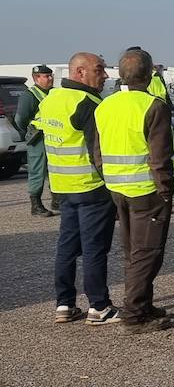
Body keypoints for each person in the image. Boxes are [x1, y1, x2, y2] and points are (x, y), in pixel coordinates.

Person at [93, 49, 174, 332]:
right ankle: (134, 314)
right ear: (150, 73)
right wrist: (165, 190)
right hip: (147, 191)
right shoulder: (154, 105)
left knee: (132, 250)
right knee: (148, 252)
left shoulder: (105, 105)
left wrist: (108, 178)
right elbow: (160, 155)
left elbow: (97, 152)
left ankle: (143, 304)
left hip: (117, 188)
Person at [38, 52, 120, 325]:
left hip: (63, 186)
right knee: (94, 248)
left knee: (67, 247)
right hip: (91, 188)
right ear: (80, 72)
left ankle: (64, 304)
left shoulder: (51, 99)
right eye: (99, 69)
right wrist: (113, 188)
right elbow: (98, 151)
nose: (105, 75)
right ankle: (99, 306)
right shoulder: (88, 103)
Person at [15, 64, 57, 217]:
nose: (50, 78)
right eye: (46, 76)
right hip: (37, 137)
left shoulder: (53, 93)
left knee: (54, 169)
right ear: (36, 78)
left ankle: (56, 200)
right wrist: (27, 132)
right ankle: (36, 204)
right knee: (37, 170)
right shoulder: (30, 95)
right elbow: (20, 119)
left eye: (51, 75)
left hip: (53, 136)